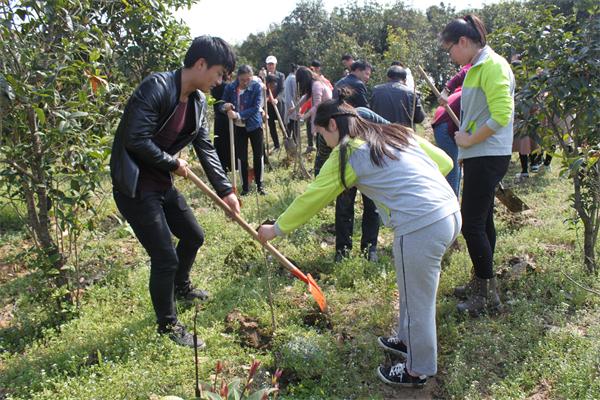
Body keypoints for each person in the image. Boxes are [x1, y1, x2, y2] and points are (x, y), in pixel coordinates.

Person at [257, 94, 460, 388]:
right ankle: (406, 341)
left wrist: (275, 230)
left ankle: (417, 370)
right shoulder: (394, 132)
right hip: (448, 212)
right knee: (411, 287)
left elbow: (314, 196)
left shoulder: (349, 152)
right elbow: (444, 162)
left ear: (332, 126)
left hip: (422, 224)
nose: (322, 141)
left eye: (320, 133)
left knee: (419, 302)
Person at [109, 36, 239, 348]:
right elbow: (135, 139)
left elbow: (206, 148)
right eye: (219, 73)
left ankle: (181, 287)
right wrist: (171, 162)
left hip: (163, 183)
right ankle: (168, 326)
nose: (219, 82)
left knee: (193, 235)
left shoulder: (196, 101)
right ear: (200, 64)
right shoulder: (156, 87)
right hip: (137, 187)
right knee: (165, 257)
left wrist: (225, 191)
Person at [440, 14, 515, 315]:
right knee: (483, 222)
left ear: (463, 41)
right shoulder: (476, 67)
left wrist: (470, 139)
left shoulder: (492, 65)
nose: (451, 56)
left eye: (450, 50)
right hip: (479, 154)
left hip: (487, 153)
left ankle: (487, 296)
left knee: (470, 224)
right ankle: (482, 282)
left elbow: (502, 114)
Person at [325, 60, 379, 261]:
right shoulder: (357, 85)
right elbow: (366, 116)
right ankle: (369, 249)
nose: (368, 77)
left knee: (344, 201)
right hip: (363, 145)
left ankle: (342, 250)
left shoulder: (339, 83)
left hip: (344, 146)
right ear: (359, 70)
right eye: (367, 72)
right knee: (371, 202)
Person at [221, 65, 266, 196]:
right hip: (239, 128)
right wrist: (225, 106)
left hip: (254, 125)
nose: (245, 82)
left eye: (248, 79)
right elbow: (220, 103)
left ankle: (260, 185)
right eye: (242, 80)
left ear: (251, 77)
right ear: (237, 78)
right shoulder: (230, 88)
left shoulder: (256, 87)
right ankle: (245, 187)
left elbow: (255, 107)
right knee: (242, 157)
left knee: (258, 155)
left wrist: (238, 115)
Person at [432, 63, 472, 196]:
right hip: (445, 126)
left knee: (456, 166)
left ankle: (453, 199)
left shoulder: (463, 91)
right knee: (453, 167)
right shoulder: (468, 92)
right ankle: (452, 204)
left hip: (443, 125)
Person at [296, 66, 332, 154]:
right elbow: (306, 97)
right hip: (323, 115)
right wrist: (294, 108)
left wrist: (303, 116)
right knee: (320, 144)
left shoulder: (316, 85)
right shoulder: (314, 83)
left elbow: (317, 106)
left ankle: (320, 165)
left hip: (326, 117)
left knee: (322, 146)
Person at [211, 72, 232, 172]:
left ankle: (221, 166)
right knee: (228, 143)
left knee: (219, 144)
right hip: (227, 117)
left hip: (218, 118)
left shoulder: (213, 85)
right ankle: (231, 165)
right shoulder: (226, 86)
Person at [265, 55, 285, 151]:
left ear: (275, 64)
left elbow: (282, 89)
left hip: (278, 104)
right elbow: (263, 90)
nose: (271, 66)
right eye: (269, 64)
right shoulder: (264, 77)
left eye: (272, 64)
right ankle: (276, 145)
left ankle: (286, 140)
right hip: (268, 104)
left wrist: (277, 99)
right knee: (271, 125)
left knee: (282, 124)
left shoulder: (281, 75)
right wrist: (268, 98)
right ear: (266, 65)